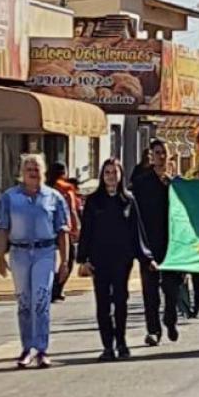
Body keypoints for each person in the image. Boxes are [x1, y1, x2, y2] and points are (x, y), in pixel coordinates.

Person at [77, 159, 157, 361]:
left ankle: (121, 342)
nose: (111, 176)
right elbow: (86, 231)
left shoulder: (128, 200)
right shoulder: (94, 201)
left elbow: (137, 232)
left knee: (120, 300)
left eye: (115, 172)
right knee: (103, 302)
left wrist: (146, 258)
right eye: (107, 172)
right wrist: (83, 259)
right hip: (99, 259)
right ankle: (107, 346)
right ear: (102, 176)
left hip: (122, 259)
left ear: (121, 175)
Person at [0, 154, 70, 369]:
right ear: (22, 172)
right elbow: (2, 228)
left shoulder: (54, 197)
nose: (33, 172)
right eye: (28, 168)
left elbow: (62, 230)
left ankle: (42, 349)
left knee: (41, 300)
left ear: (43, 171)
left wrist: (64, 261)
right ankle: (27, 348)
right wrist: (0, 257)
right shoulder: (10, 198)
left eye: (36, 168)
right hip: (19, 253)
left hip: (44, 252)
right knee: (25, 302)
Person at [132, 139, 182, 345]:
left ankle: (170, 320)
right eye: (157, 152)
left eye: (164, 153)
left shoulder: (176, 184)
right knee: (150, 291)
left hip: (172, 245)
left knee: (172, 289)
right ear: (151, 156)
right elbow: (134, 213)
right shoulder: (141, 183)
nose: (161, 156)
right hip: (148, 244)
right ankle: (153, 330)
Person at [47, 163, 81, 302]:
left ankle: (49, 287)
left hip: (48, 229)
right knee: (68, 259)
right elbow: (71, 210)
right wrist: (76, 227)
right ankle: (57, 288)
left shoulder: (46, 188)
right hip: (64, 229)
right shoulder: (67, 189)